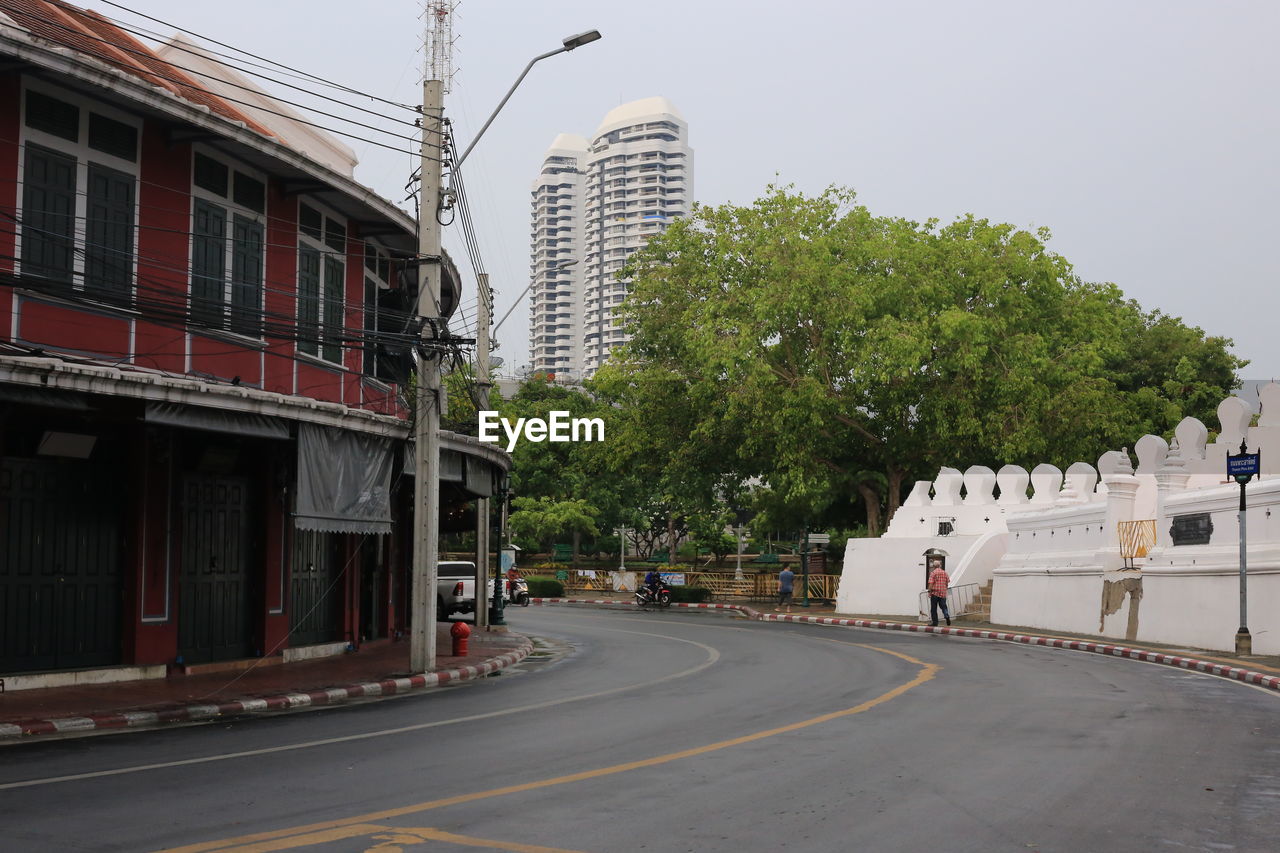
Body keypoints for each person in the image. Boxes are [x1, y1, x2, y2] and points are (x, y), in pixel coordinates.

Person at [927, 557, 951, 626]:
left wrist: (929, 591)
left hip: (935, 593)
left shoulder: (933, 573)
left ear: (934, 566)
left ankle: (935, 622)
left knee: (933, 608)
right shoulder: (945, 573)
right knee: (943, 606)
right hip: (943, 593)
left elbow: (931, 583)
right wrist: (944, 588)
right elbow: (947, 582)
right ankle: (946, 615)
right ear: (940, 565)